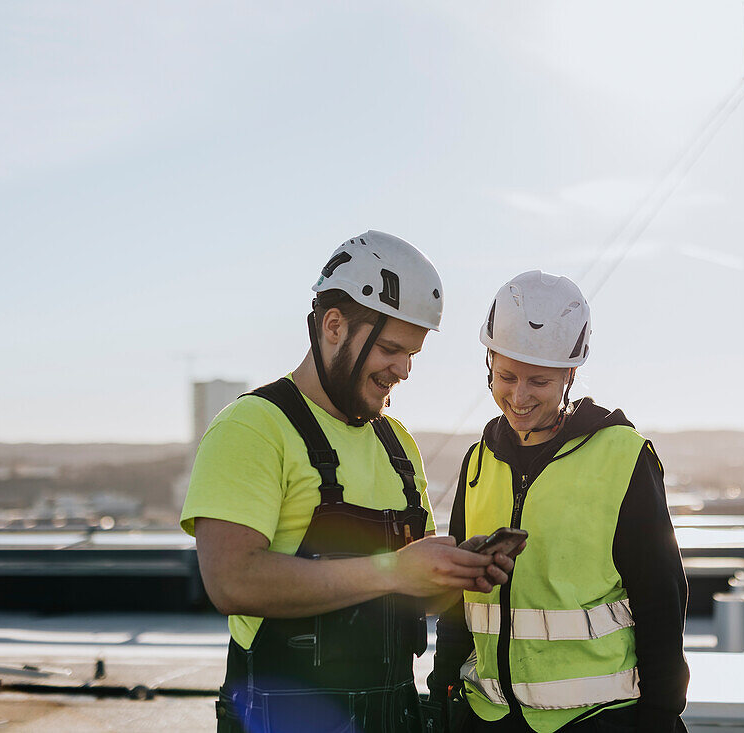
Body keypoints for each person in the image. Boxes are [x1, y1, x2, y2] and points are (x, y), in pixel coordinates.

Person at [182, 231, 514, 733]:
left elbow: (409, 589)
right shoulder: (251, 428)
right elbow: (231, 580)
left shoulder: (397, 443)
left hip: (393, 713)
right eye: (390, 348)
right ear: (334, 325)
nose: (402, 370)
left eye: (412, 355)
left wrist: (452, 577)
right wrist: (394, 572)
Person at [429, 271, 690, 733]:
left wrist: (661, 715)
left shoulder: (622, 457)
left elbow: (661, 601)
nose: (519, 396)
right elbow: (457, 598)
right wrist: (443, 686)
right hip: (489, 717)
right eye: (506, 376)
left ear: (570, 375)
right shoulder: (478, 462)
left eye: (539, 382)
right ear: (488, 361)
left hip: (598, 721)